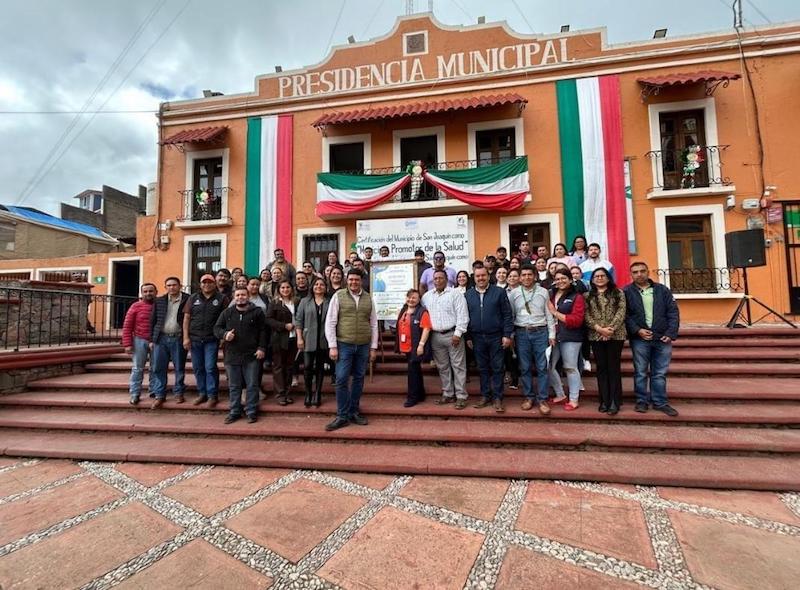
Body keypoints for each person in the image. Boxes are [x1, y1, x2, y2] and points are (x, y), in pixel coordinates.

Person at [324, 268, 379, 431]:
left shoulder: (369, 298)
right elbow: (331, 321)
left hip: (363, 345)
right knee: (341, 379)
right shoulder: (338, 296)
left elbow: (374, 324)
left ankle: (354, 411)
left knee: (359, 378)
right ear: (346, 280)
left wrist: (373, 347)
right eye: (351, 279)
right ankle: (342, 415)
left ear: (361, 281)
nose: (353, 282)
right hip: (344, 345)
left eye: (356, 280)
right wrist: (332, 345)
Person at [624, 261, 680, 416]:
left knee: (660, 372)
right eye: (635, 272)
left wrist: (670, 333)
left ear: (648, 272)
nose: (639, 274)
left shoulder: (662, 290)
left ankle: (660, 402)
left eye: (642, 271)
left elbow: (673, 313)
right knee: (641, 372)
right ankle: (641, 401)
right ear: (631, 274)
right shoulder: (626, 292)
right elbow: (626, 316)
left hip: (661, 337)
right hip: (640, 338)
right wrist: (637, 330)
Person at [214, 287, 268, 424]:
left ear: (248, 296)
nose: (240, 297)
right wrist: (225, 335)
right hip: (232, 355)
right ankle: (234, 411)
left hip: (252, 355)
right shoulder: (227, 313)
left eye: (243, 295)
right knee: (234, 385)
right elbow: (217, 328)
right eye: (237, 295)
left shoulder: (257, 312)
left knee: (252, 385)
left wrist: (262, 347)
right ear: (234, 297)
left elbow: (264, 331)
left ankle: (251, 411)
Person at [465, 265, 513, 413]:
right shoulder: (468, 295)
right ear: (474, 278)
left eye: (483, 275)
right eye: (478, 276)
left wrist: (507, 334)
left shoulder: (499, 292)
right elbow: (464, 318)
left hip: (496, 336)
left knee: (498, 367)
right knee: (483, 368)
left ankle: (498, 397)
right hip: (477, 337)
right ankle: (485, 396)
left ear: (488, 276)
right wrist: (468, 337)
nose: (480, 278)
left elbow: (507, 314)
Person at [509, 264, 555, 414]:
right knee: (525, 367)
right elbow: (511, 316)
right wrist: (511, 335)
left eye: (530, 274)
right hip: (522, 333)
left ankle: (542, 399)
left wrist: (551, 334)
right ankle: (529, 397)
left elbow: (549, 315)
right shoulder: (514, 293)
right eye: (524, 275)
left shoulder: (544, 292)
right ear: (520, 277)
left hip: (540, 332)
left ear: (535, 276)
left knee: (542, 367)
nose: (527, 277)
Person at [422, 269, 470, 409]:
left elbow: (463, 314)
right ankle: (448, 394)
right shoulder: (427, 296)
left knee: (458, 366)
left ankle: (461, 396)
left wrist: (458, 333)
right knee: (443, 367)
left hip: (453, 335)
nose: (438, 281)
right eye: (435, 278)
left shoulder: (455, 294)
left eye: (440, 278)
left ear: (447, 279)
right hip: (436, 336)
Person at [585, 268, 627, 415]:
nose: (600, 278)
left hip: (616, 335)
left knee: (613, 367)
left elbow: (621, 312)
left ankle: (615, 401)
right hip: (596, 336)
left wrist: (610, 329)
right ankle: (604, 400)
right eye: (597, 276)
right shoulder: (587, 296)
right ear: (592, 279)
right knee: (601, 368)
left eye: (603, 276)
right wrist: (599, 329)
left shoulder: (618, 293)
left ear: (608, 278)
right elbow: (586, 316)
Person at [183, 274, 228, 408]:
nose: (207, 285)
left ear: (214, 284)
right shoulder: (193, 298)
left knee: (210, 367)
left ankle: (212, 395)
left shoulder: (222, 298)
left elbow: (227, 318)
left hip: (212, 339)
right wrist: (185, 337)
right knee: (198, 368)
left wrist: (222, 337)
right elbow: (186, 318)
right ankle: (202, 393)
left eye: (210, 282)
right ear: (200, 284)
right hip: (195, 339)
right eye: (204, 282)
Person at [547, 268, 586, 411]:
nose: (560, 281)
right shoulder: (552, 295)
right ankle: (560, 394)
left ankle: (574, 399)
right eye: (557, 279)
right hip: (554, 336)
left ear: (570, 280)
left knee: (570, 367)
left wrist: (555, 313)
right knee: (549, 366)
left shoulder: (577, 297)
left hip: (571, 337)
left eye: (563, 278)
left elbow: (576, 320)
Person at [149, 277, 190, 409]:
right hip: (161, 339)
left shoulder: (187, 299)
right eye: (168, 285)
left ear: (180, 286)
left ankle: (178, 392)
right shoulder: (159, 300)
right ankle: (160, 394)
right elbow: (153, 320)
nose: (171, 287)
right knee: (158, 367)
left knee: (179, 367)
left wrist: (186, 337)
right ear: (165, 287)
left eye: (174, 285)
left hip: (178, 337)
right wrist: (151, 339)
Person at [296, 277, 330, 407]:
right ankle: (308, 393)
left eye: (322, 284)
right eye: (316, 284)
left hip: (323, 339)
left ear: (325, 287)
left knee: (320, 368)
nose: (319, 286)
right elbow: (298, 321)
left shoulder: (329, 302)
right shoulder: (304, 301)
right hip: (308, 339)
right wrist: (299, 338)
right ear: (312, 286)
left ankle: (318, 393)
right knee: (308, 366)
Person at [396, 289, 432, 407]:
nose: (411, 300)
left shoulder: (422, 312)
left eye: (414, 298)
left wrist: (421, 345)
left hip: (416, 346)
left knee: (412, 372)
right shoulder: (404, 310)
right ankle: (420, 394)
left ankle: (412, 397)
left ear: (418, 300)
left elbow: (426, 328)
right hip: (405, 346)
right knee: (415, 370)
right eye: (409, 297)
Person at [121, 282, 157, 405]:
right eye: (145, 291)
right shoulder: (135, 306)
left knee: (155, 368)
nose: (148, 293)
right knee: (137, 368)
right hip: (139, 340)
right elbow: (127, 326)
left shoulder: (160, 305)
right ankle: (135, 393)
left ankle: (154, 390)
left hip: (156, 341)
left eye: (151, 291)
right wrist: (127, 344)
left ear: (155, 292)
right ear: (141, 293)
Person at [266, 280, 299, 406]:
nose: (285, 289)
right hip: (279, 339)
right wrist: (284, 326)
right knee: (279, 366)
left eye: (288, 287)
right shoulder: (274, 303)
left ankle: (287, 392)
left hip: (294, 338)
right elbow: (268, 320)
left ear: (291, 288)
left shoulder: (297, 301)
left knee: (290, 366)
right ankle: (280, 394)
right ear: (279, 289)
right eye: (283, 287)